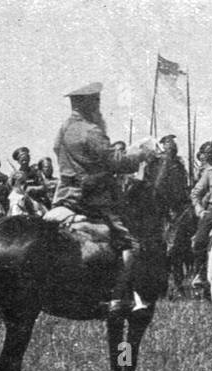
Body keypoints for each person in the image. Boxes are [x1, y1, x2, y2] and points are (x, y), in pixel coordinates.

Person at [49, 81, 156, 316]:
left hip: (63, 197)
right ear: (89, 104)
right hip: (91, 198)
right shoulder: (91, 130)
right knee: (129, 243)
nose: (99, 107)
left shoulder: (63, 129)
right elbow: (115, 162)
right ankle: (120, 297)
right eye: (96, 102)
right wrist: (142, 153)